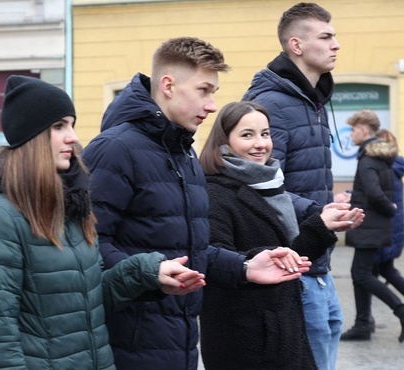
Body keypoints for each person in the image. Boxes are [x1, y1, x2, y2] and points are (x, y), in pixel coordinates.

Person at [80, 36, 314, 370]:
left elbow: (191, 249)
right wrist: (150, 274)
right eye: (204, 90)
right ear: (168, 85)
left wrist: (245, 267)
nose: (212, 105)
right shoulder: (115, 149)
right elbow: (86, 248)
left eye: (213, 93)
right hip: (129, 341)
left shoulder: (183, 151)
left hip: (179, 337)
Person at [0, 74, 215, 369]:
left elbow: (93, 298)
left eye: (71, 124)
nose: (72, 136)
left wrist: (148, 274)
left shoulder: (71, 206)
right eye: (59, 126)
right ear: (29, 137)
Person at [197, 101, 364, 369]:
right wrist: (249, 263)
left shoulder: (271, 185)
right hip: (244, 337)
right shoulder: (215, 192)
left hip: (282, 327)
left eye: (265, 133)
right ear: (223, 141)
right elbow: (213, 258)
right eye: (247, 135)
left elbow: (286, 261)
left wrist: (323, 227)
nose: (260, 143)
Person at [242, 3, 344, 368]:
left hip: (318, 259)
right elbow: (257, 182)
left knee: (328, 340)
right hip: (291, 260)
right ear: (296, 45)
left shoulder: (312, 102)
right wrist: (319, 212)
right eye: (326, 37)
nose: (336, 45)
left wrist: (333, 205)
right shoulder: (272, 104)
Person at [340, 110, 404, 342]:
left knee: (361, 274)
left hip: (369, 226)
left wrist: (390, 209)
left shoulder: (367, 158)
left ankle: (399, 310)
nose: (352, 135)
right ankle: (363, 324)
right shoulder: (383, 157)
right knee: (365, 273)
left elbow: (375, 193)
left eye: (354, 130)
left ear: (363, 130)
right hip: (377, 226)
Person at [374, 129, 404, 297]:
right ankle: (364, 317)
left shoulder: (386, 169)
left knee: (375, 273)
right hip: (394, 227)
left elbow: (375, 193)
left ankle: (364, 318)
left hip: (385, 228)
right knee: (382, 270)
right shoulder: (395, 167)